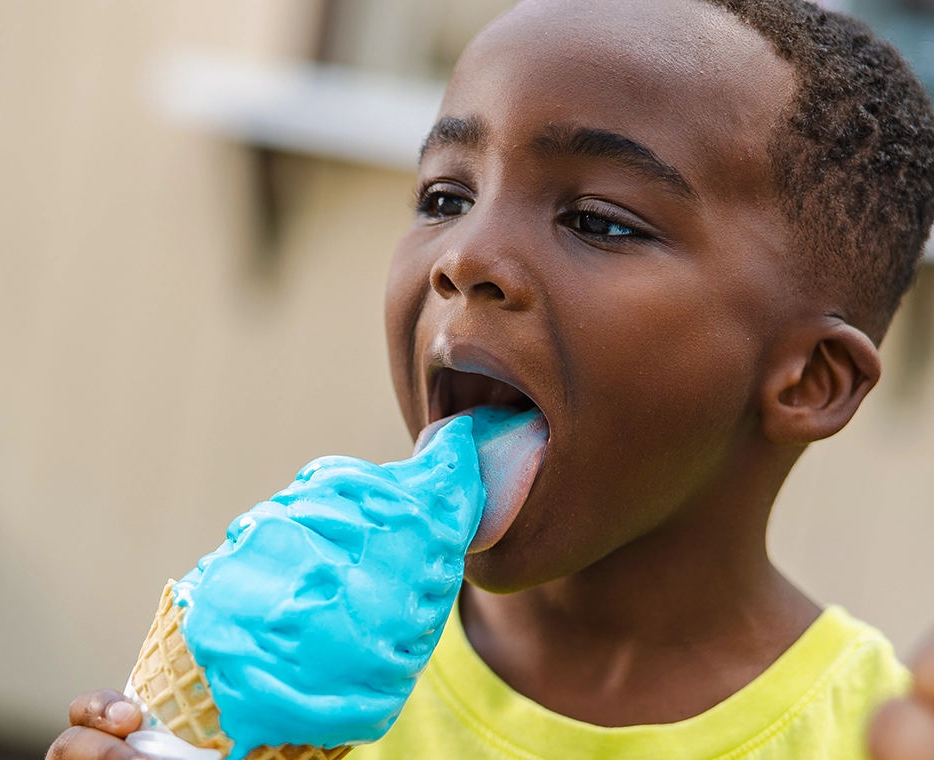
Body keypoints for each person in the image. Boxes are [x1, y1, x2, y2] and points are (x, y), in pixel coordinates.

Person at [47, 0, 934, 757]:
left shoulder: (877, 735)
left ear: (810, 380)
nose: (464, 257)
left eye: (599, 221)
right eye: (445, 197)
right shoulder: (281, 640)